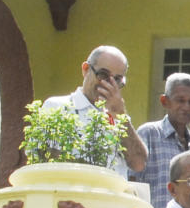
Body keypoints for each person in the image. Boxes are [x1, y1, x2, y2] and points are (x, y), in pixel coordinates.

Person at [42, 45, 148, 178]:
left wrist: (120, 115)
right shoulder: (58, 107)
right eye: (103, 75)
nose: (108, 84)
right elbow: (45, 162)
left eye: (117, 79)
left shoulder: (118, 117)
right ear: (86, 70)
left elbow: (138, 164)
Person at [130, 73, 190, 208]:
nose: (186, 107)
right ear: (165, 101)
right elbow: (131, 185)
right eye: (180, 100)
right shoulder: (149, 134)